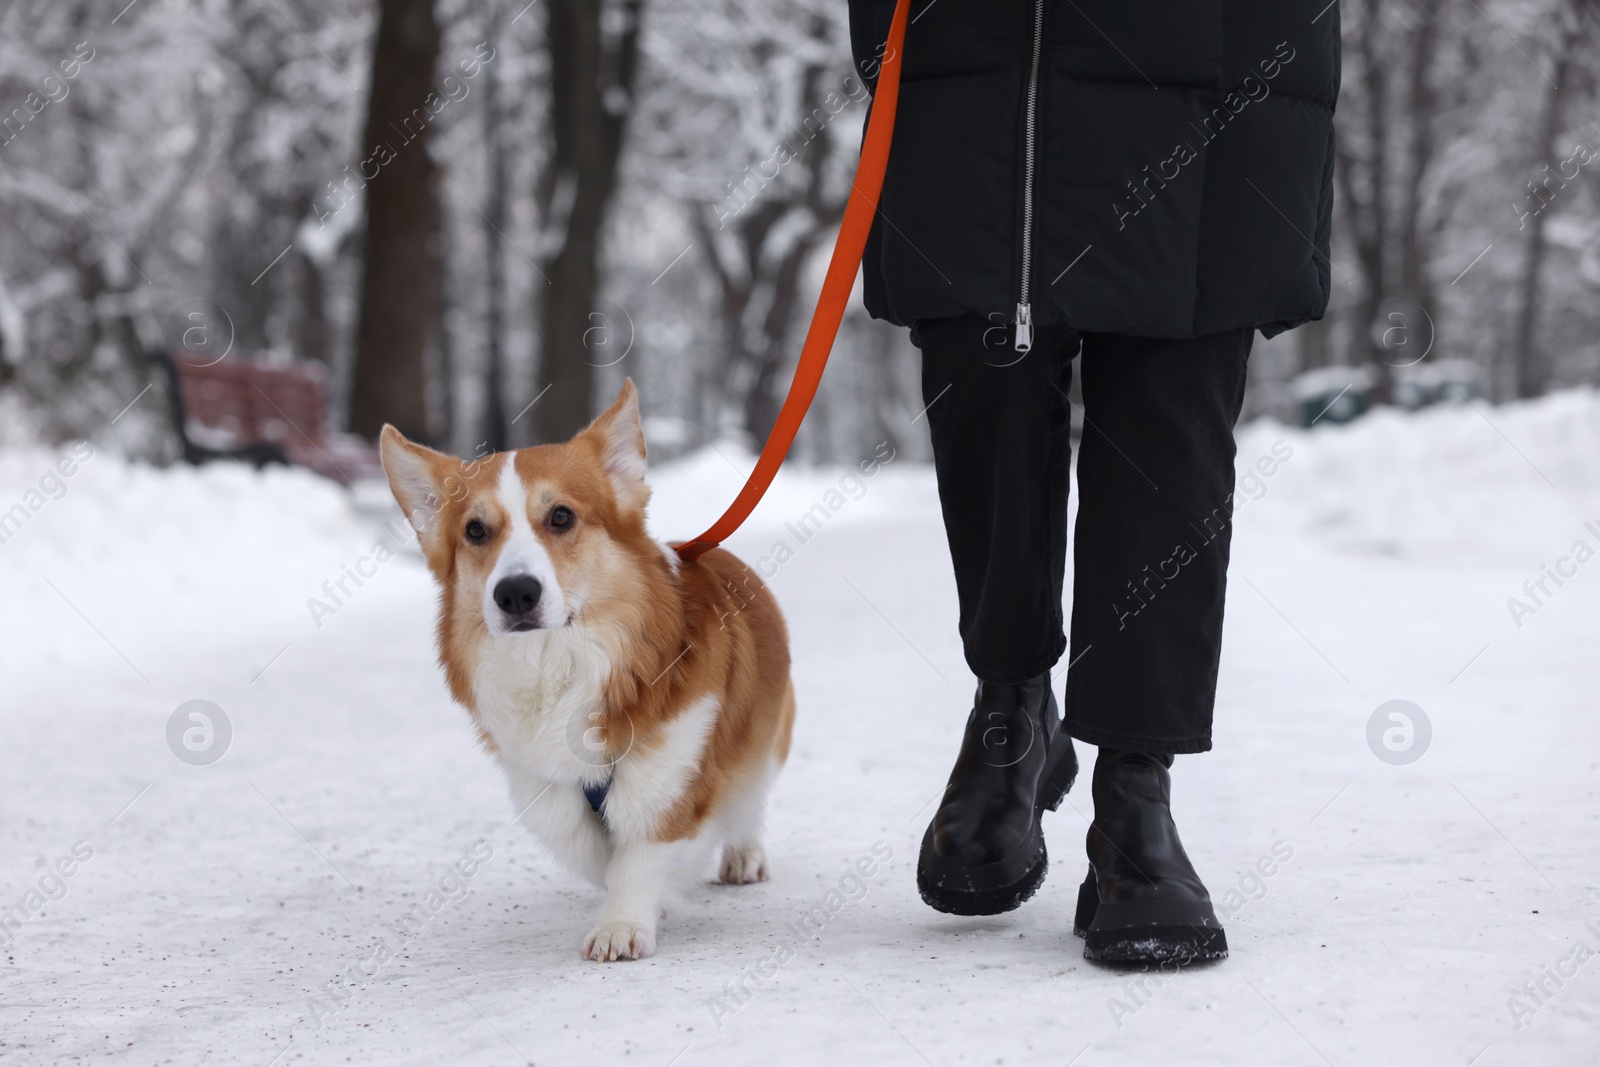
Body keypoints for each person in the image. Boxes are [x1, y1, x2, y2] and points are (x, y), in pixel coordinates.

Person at [845, 0, 1340, 963]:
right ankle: (1012, 701)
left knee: (1172, 415)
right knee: (980, 369)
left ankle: (1134, 792)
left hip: (1216, 55)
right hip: (981, 58)